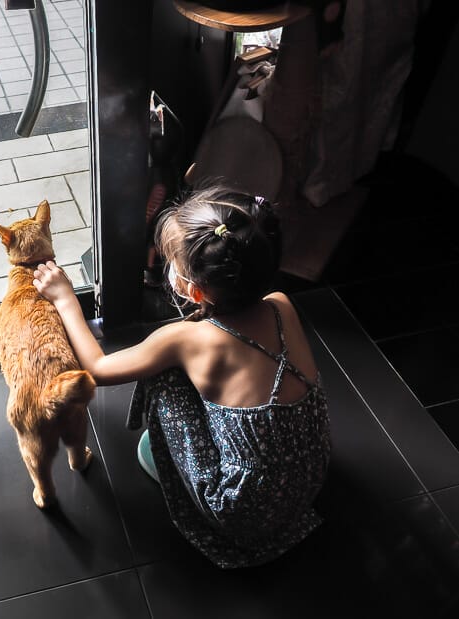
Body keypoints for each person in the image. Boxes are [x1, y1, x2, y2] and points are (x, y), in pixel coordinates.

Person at [32, 185, 331, 569]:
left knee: (165, 378)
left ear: (192, 289)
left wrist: (65, 300)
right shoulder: (281, 305)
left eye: (173, 262)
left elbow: (97, 369)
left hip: (241, 513)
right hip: (306, 478)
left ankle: (172, 467)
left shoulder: (186, 340)